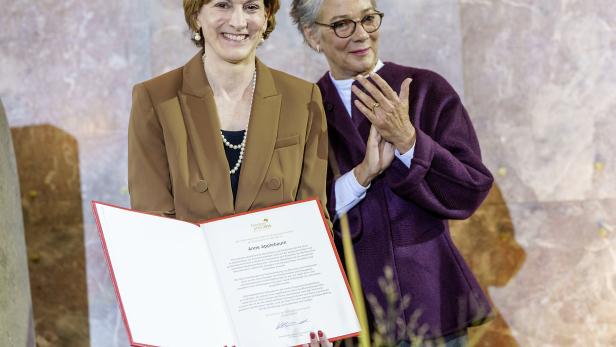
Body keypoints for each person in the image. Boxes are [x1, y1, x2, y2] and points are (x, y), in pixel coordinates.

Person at [290, 0, 494, 345]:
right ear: (312, 36)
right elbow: (297, 220)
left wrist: (409, 140)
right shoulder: (301, 113)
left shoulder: (428, 90)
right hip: (350, 314)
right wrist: (359, 177)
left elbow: (469, 191)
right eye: (342, 24)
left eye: (368, 19)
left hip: (431, 305)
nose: (361, 35)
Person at [128, 1, 331, 344]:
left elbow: (314, 223)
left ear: (267, 17)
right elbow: (154, 228)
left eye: (251, 7)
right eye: (223, 4)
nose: (238, 21)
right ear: (196, 15)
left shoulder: (304, 98)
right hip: (193, 321)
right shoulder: (154, 98)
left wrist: (315, 319)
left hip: (280, 325)